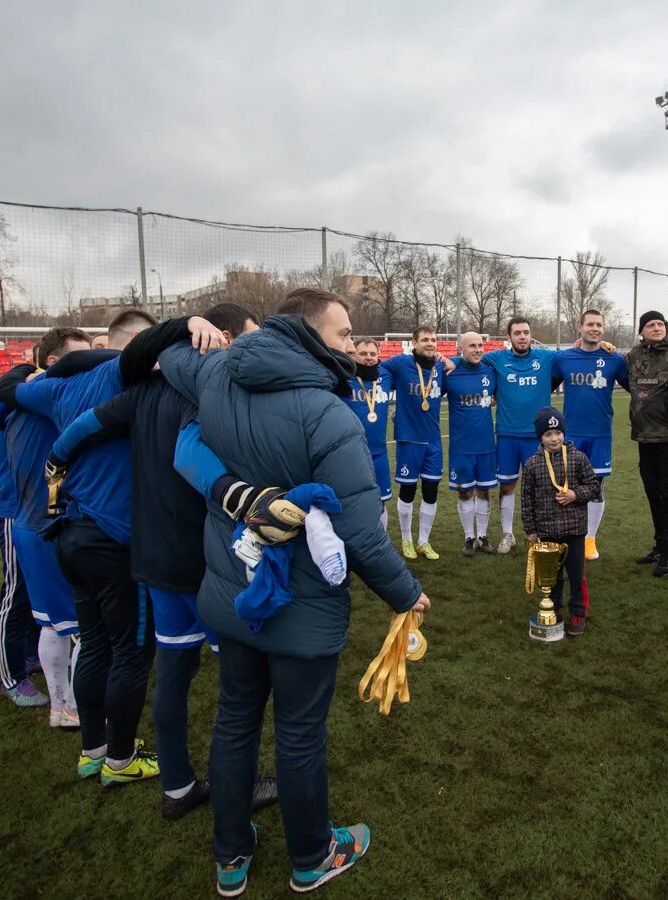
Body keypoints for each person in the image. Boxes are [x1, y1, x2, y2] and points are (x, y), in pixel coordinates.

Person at [157, 288, 432, 897]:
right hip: (299, 606)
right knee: (299, 734)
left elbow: (169, 355)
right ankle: (311, 855)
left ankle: (230, 855)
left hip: (231, 593)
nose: (351, 345)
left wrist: (189, 324)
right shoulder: (326, 411)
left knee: (235, 721)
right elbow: (360, 529)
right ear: (310, 334)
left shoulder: (216, 374)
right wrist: (404, 591)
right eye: (343, 333)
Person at [45, 304, 277, 820]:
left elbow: (83, 426)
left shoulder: (141, 394)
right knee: (240, 683)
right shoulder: (212, 392)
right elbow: (205, 462)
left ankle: (176, 786)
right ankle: (238, 787)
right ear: (220, 339)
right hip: (210, 560)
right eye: (248, 340)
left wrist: (55, 465)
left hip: (155, 560)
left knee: (174, 672)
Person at [0, 308, 225, 786]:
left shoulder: (56, 389)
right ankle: (120, 759)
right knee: (131, 653)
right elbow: (135, 354)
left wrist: (56, 455)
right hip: (115, 540)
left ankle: (92, 749)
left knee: (94, 642)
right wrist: (187, 321)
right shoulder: (122, 378)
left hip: (70, 534)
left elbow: (7, 392)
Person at [0, 327, 95, 726]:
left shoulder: (27, 390)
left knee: (51, 619)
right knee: (27, 601)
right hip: (28, 515)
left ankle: (58, 701)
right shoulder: (48, 392)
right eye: (82, 358)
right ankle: (22, 681)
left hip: (37, 517)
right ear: (54, 364)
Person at [551, 309, 627, 560]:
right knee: (567, 486)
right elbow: (545, 386)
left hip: (600, 434)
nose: (595, 328)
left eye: (599, 325)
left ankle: (589, 539)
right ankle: (568, 534)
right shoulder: (564, 358)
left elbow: (635, 386)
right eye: (590, 324)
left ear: (603, 329)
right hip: (571, 434)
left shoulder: (614, 359)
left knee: (595, 488)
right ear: (579, 327)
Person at [0, 393, 45, 709]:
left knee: (34, 590)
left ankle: (30, 653)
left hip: (34, 512)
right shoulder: (15, 402)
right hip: (13, 513)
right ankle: (11, 678)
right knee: (16, 592)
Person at [520, 407, 601, 636]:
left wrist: (576, 494)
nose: (554, 438)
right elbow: (527, 499)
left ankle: (578, 611)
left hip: (574, 529)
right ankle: (553, 608)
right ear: (540, 437)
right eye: (548, 434)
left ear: (564, 433)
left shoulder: (578, 457)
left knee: (576, 574)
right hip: (546, 532)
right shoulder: (532, 464)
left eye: (557, 432)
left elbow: (594, 487)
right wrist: (531, 530)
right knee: (551, 577)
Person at [482, 317, 560, 553]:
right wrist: (448, 360)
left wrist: (604, 346)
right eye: (517, 332)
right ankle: (508, 534)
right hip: (507, 435)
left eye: (526, 332)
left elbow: (575, 354)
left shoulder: (546, 357)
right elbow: (468, 359)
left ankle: (539, 534)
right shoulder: (496, 358)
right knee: (507, 486)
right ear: (509, 337)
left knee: (542, 487)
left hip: (538, 438)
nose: (523, 336)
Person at [624, 311, 668, 577]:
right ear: (642, 331)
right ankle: (659, 544)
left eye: (660, 323)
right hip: (644, 436)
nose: (657, 327)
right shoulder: (634, 356)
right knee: (653, 493)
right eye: (651, 324)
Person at [382, 326, 446, 559]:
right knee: (408, 491)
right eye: (425, 339)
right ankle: (407, 539)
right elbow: (375, 369)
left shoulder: (440, 366)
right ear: (414, 343)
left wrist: (449, 362)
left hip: (434, 442)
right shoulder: (400, 363)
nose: (430, 343)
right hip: (409, 440)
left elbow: (454, 366)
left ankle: (424, 541)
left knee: (431, 492)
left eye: (434, 339)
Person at [443, 332, 498, 555]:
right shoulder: (449, 372)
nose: (477, 349)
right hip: (461, 447)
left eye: (480, 345)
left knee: (484, 492)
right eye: (472, 346)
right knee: (464, 493)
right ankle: (468, 537)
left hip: (486, 445)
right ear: (461, 349)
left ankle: (482, 537)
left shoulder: (491, 371)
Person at [344, 338, 393, 532]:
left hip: (379, 453)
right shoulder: (342, 378)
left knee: (381, 504)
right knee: (352, 505)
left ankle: (382, 545)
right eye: (363, 354)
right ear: (353, 355)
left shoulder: (387, 375)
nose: (369, 358)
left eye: (373, 354)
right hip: (351, 454)